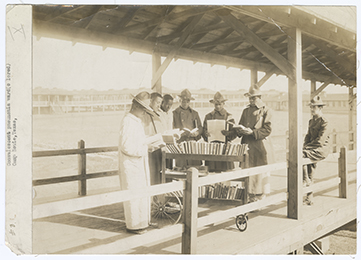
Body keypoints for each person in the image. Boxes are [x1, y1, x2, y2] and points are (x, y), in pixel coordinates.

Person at [118, 91, 159, 234]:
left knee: (141, 194)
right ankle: (134, 226)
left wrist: (150, 142)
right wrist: (143, 148)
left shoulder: (136, 121)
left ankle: (143, 223)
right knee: (134, 197)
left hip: (138, 164)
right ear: (136, 107)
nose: (144, 113)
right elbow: (126, 146)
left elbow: (138, 141)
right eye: (144, 110)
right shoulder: (128, 121)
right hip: (132, 165)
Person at [223, 85, 272, 202]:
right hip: (247, 145)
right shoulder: (246, 111)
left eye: (253, 98)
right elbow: (240, 126)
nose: (251, 101)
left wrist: (253, 132)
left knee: (259, 171)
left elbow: (267, 129)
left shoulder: (266, 110)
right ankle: (249, 195)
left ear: (259, 97)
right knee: (248, 170)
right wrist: (235, 130)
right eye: (249, 98)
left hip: (259, 145)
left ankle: (259, 196)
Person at [303, 95, 330, 205]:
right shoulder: (311, 121)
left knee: (301, 156)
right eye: (311, 107)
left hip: (321, 149)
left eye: (314, 107)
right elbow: (308, 136)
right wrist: (305, 145)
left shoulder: (324, 121)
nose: (312, 109)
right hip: (312, 148)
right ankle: (309, 199)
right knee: (311, 170)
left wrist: (306, 148)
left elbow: (320, 141)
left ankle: (305, 180)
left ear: (320, 108)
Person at [202, 91, 235, 172]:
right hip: (212, 148)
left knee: (226, 172)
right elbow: (203, 131)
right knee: (212, 171)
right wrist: (205, 134)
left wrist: (228, 133)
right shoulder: (208, 116)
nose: (218, 106)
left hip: (225, 148)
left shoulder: (229, 116)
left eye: (220, 104)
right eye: (216, 104)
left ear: (223, 104)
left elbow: (235, 133)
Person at [173, 89, 203, 167]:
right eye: (183, 101)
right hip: (181, 142)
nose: (185, 103)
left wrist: (197, 132)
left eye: (187, 101)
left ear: (189, 102)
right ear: (180, 100)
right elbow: (172, 128)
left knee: (194, 165)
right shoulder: (174, 113)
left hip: (192, 142)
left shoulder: (194, 113)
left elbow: (200, 127)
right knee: (181, 166)